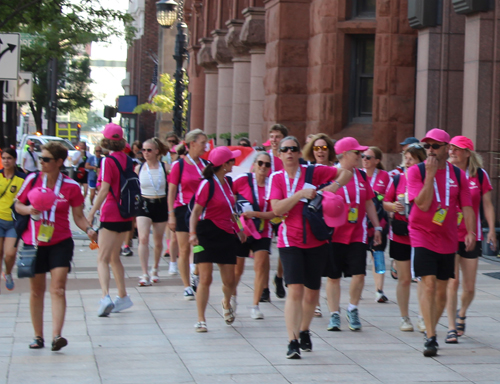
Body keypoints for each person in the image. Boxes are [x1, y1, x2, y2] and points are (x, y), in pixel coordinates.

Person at [268, 136, 352, 359]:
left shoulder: (312, 172)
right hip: (290, 240)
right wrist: (299, 195)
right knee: (295, 289)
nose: (289, 153)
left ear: (299, 153)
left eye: (293, 149)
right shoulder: (276, 178)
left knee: (312, 290)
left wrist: (331, 189)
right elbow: (277, 210)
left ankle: (305, 330)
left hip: (316, 238)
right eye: (284, 150)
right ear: (279, 154)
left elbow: (346, 173)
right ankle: (292, 340)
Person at [16, 141, 96, 350]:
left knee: (58, 288)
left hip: (60, 241)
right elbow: (17, 204)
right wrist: (29, 209)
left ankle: (56, 336)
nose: (41, 162)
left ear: (59, 162)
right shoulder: (32, 180)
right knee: (36, 291)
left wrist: (88, 229)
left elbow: (78, 216)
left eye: (46, 159)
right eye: (41, 158)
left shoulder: (70, 186)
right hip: (33, 242)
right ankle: (37, 336)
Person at [407, 128, 474, 357]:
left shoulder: (458, 175)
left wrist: (472, 231)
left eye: (435, 146)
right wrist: (429, 176)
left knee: (443, 292)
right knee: (428, 284)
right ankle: (431, 337)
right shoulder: (416, 172)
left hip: (447, 236)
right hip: (421, 232)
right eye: (427, 147)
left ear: (447, 149)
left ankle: (431, 329)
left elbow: (466, 205)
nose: (431, 151)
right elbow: (423, 205)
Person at [325, 137, 382, 333]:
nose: (361, 156)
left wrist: (377, 227)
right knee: (333, 276)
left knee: (359, 273)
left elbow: (368, 202)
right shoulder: (330, 174)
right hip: (334, 234)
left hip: (357, 233)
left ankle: (352, 308)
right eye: (357, 153)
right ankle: (334, 313)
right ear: (345, 154)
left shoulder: (362, 176)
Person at [445, 136, 496, 343]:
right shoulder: (445, 172)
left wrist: (491, 230)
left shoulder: (479, 175)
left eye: (457, 149)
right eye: (451, 148)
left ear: (468, 153)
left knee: (470, 287)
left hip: (471, 235)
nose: (452, 152)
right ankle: (450, 326)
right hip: (448, 235)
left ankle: (462, 312)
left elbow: (487, 204)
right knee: (452, 281)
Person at [189, 146, 245, 332]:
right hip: (205, 233)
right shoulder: (207, 184)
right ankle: (200, 319)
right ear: (224, 164)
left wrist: (240, 229)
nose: (234, 163)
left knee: (229, 280)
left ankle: (226, 302)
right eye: (232, 160)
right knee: (205, 277)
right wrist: (192, 234)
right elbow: (196, 211)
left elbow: (232, 211)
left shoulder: (227, 182)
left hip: (226, 234)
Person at [87, 123, 134, 317]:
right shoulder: (128, 160)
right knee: (115, 257)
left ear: (105, 141)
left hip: (111, 211)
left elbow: (104, 189)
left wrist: (91, 212)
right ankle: (122, 296)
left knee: (102, 258)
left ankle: (105, 296)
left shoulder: (108, 161)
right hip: (126, 213)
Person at [384, 143, 427, 332]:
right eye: (406, 158)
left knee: (424, 279)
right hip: (401, 233)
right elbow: (385, 202)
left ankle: (423, 316)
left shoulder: (427, 180)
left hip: (422, 235)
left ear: (420, 161)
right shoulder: (397, 179)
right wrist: (394, 207)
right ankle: (404, 317)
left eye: (412, 158)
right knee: (404, 279)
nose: (407, 162)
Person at [232, 152, 276, 319]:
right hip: (243, 230)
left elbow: (274, 212)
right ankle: (232, 298)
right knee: (237, 270)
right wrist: (237, 224)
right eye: (260, 163)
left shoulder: (272, 185)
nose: (263, 167)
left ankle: (255, 305)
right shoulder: (243, 180)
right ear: (254, 165)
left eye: (267, 164)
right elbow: (231, 201)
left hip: (263, 231)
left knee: (260, 266)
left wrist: (256, 214)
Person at [168, 129, 208, 300]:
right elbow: (171, 191)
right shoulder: (179, 165)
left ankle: (196, 271)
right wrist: (170, 214)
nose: (205, 147)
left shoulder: (206, 165)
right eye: (202, 143)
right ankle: (186, 285)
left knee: (199, 247)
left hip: (202, 210)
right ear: (192, 144)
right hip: (183, 209)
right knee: (184, 248)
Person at [302, 133, 337, 317]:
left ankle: (332, 308)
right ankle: (313, 302)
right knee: (312, 266)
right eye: (316, 148)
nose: (320, 151)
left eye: (324, 148)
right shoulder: (307, 170)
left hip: (333, 224)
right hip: (312, 222)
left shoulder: (336, 170)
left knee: (331, 269)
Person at [135, 138, 169, 286]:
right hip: (144, 203)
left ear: (156, 151)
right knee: (143, 239)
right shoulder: (139, 168)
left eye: (149, 150)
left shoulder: (165, 167)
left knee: (157, 240)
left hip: (161, 203)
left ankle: (155, 268)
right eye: (143, 150)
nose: (146, 153)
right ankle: (144, 273)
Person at [362, 146, 390, 303]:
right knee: (359, 256)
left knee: (377, 254)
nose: (365, 160)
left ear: (377, 161)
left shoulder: (385, 176)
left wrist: (381, 198)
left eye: (368, 157)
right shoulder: (358, 174)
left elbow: (389, 196)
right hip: (360, 223)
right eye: (363, 157)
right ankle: (357, 284)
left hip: (379, 222)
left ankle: (379, 290)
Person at [266, 124, 289, 302]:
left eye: (278, 136)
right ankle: (264, 287)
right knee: (263, 250)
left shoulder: (288, 157)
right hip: (266, 209)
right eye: (272, 136)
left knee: (282, 248)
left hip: (283, 208)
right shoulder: (263, 158)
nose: (274, 140)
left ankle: (279, 277)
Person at [0, 148, 26, 292]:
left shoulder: (22, 178)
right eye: (3, 158)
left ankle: (8, 273)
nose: (6, 161)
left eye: (9, 158)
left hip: (13, 223)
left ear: (15, 160)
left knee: (10, 253)